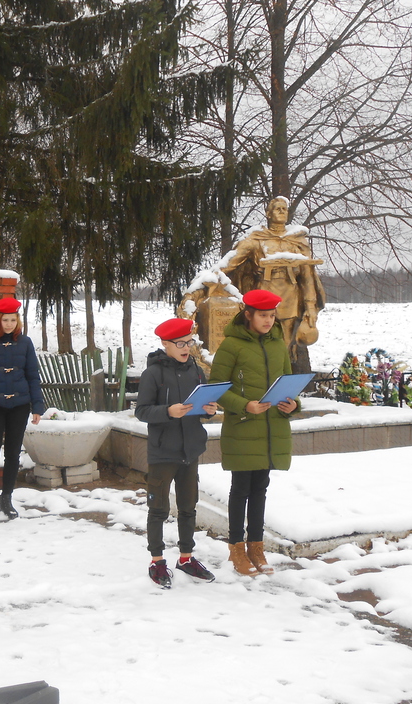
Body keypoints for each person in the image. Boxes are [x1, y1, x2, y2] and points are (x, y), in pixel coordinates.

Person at [208, 289, 299, 576]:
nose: (269, 320)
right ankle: (237, 549)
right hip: (244, 428)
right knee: (241, 489)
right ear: (248, 315)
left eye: (272, 315)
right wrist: (245, 405)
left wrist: (293, 405)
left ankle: (256, 548)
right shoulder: (231, 346)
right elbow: (217, 389)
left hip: (272, 428)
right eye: (263, 315)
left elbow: (288, 383)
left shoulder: (278, 345)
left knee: (261, 488)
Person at [135, 317, 218, 588]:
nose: (186, 348)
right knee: (158, 508)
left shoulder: (195, 369)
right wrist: (167, 412)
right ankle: (157, 561)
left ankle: (186, 557)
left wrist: (209, 410)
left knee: (188, 506)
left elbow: (201, 404)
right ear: (165, 344)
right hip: (163, 451)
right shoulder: (153, 374)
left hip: (190, 449)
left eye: (189, 342)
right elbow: (142, 411)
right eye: (180, 343)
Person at [221, 196, 325, 359]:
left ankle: (278, 377)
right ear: (268, 214)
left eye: (285, 209)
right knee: (260, 346)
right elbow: (231, 262)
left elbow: (307, 277)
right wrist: (212, 276)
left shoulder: (296, 241)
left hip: (289, 299)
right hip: (263, 297)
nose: (282, 212)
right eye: (278, 209)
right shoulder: (256, 239)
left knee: (283, 347)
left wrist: (310, 306)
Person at [0, 297, 45, 521]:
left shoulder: (25, 342)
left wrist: (37, 406)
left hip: (19, 405)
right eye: (5, 320)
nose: (9, 324)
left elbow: (33, 375)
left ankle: (6, 498)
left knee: (13, 455)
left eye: (13, 320)